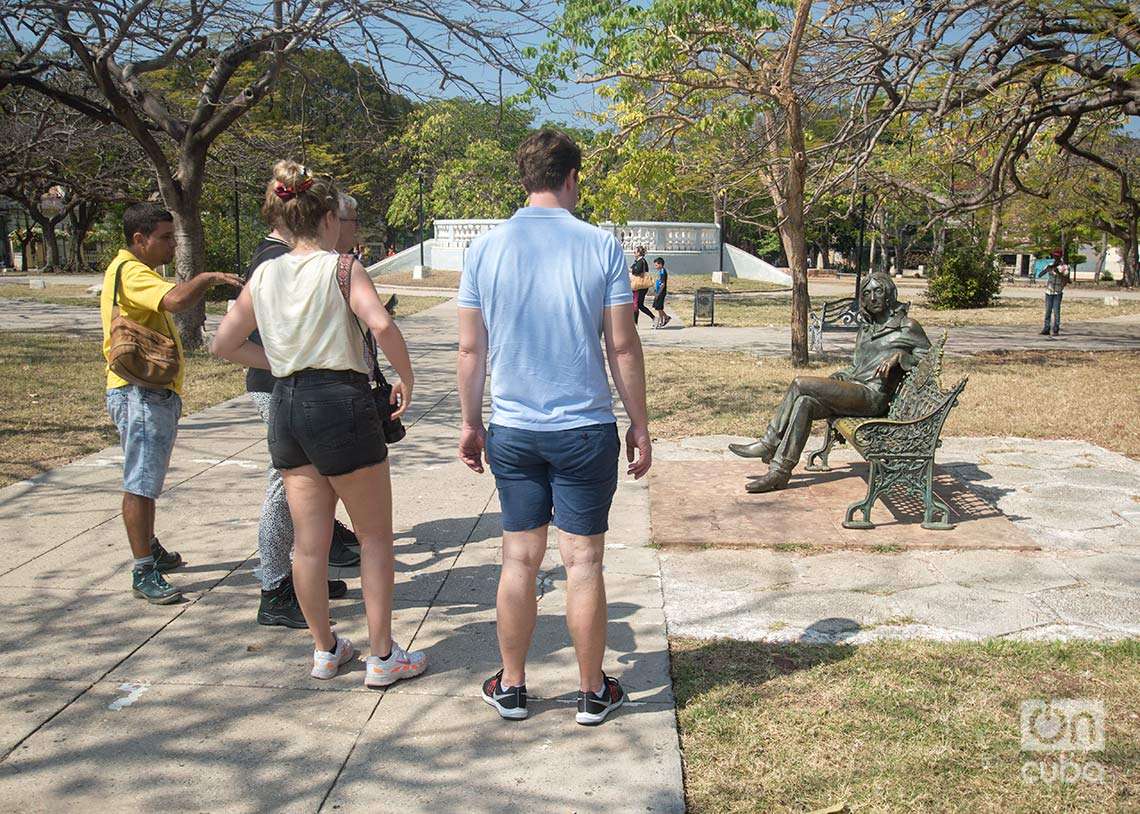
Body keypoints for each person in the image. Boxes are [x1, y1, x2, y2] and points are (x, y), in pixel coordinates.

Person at [457, 129, 653, 725]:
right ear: (572, 178)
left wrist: (470, 423)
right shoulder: (602, 247)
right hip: (584, 429)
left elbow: (470, 349)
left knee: (519, 559)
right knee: (584, 564)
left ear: (525, 178)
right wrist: (640, 425)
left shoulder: (485, 250)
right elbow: (622, 346)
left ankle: (512, 685)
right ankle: (593, 691)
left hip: (513, 429)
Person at [212, 162, 427, 687]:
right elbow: (380, 322)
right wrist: (406, 375)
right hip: (341, 403)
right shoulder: (343, 268)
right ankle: (382, 656)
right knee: (375, 538)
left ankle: (326, 649)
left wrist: (282, 363)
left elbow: (223, 344)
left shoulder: (264, 272)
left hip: (286, 405)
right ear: (329, 217)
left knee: (308, 544)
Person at [101, 203, 242, 604]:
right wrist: (208, 277)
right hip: (139, 393)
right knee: (141, 484)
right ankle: (143, 568)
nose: (169, 246)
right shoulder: (132, 272)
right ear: (138, 239)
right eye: (164, 238)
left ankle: (149, 546)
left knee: (146, 479)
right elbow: (177, 301)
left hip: (145, 391)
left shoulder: (128, 270)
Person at [244, 181, 362, 629]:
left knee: (311, 486)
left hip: (296, 387)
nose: (350, 231)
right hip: (281, 387)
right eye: (347, 221)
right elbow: (231, 339)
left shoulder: (293, 259)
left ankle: (301, 579)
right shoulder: (276, 261)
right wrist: (284, 362)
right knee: (284, 488)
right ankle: (275, 587)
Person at [729, 273, 930, 493]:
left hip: (872, 397)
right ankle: (779, 472)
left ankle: (768, 443)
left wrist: (901, 356)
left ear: (889, 294)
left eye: (878, 291)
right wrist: (838, 378)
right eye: (867, 293)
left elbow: (931, 360)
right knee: (804, 402)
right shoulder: (866, 329)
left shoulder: (907, 326)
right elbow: (856, 367)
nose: (872, 297)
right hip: (855, 391)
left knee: (799, 384)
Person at [1039, 249, 1070, 336]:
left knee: (1056, 311)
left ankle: (1056, 329)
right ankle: (1046, 328)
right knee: (1048, 311)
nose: (1055, 258)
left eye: (1057, 256)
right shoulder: (1050, 265)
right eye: (1054, 256)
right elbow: (1040, 274)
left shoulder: (1064, 267)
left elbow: (1067, 278)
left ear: (1060, 257)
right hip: (1049, 291)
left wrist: (1058, 273)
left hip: (1058, 292)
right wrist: (1046, 270)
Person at [630, 246, 655, 325]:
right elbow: (633, 268)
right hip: (638, 285)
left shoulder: (641, 261)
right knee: (639, 304)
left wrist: (632, 270)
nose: (634, 253)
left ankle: (635, 323)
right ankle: (654, 318)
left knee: (636, 304)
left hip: (640, 286)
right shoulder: (637, 261)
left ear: (639, 253)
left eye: (635, 252)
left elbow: (636, 271)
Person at [651, 256, 670, 328]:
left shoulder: (663, 272)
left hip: (661, 292)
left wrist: (658, 293)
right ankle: (664, 319)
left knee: (659, 307)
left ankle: (664, 319)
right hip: (658, 291)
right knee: (658, 307)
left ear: (660, 264)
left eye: (656, 265)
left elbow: (663, 284)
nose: (655, 266)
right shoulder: (660, 271)